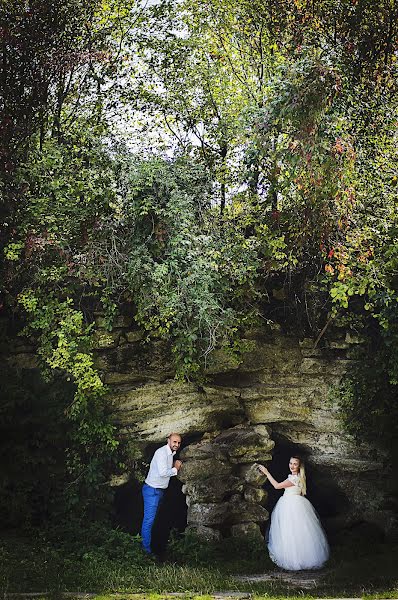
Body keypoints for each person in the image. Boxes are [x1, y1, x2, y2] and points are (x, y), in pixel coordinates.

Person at [258, 456, 329, 571]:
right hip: (298, 504)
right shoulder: (300, 478)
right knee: (299, 533)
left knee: (289, 532)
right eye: (290, 463)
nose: (292, 466)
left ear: (299, 466)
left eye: (295, 464)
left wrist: (266, 472)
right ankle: (303, 557)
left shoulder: (293, 479)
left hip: (290, 505)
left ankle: (292, 559)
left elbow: (276, 486)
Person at [141, 433, 182, 554]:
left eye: (179, 443)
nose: (177, 445)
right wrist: (176, 468)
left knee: (154, 521)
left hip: (159, 491)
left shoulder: (171, 454)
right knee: (148, 522)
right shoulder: (161, 453)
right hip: (152, 491)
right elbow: (163, 473)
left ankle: (155, 547)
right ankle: (146, 552)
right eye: (174, 442)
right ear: (168, 441)